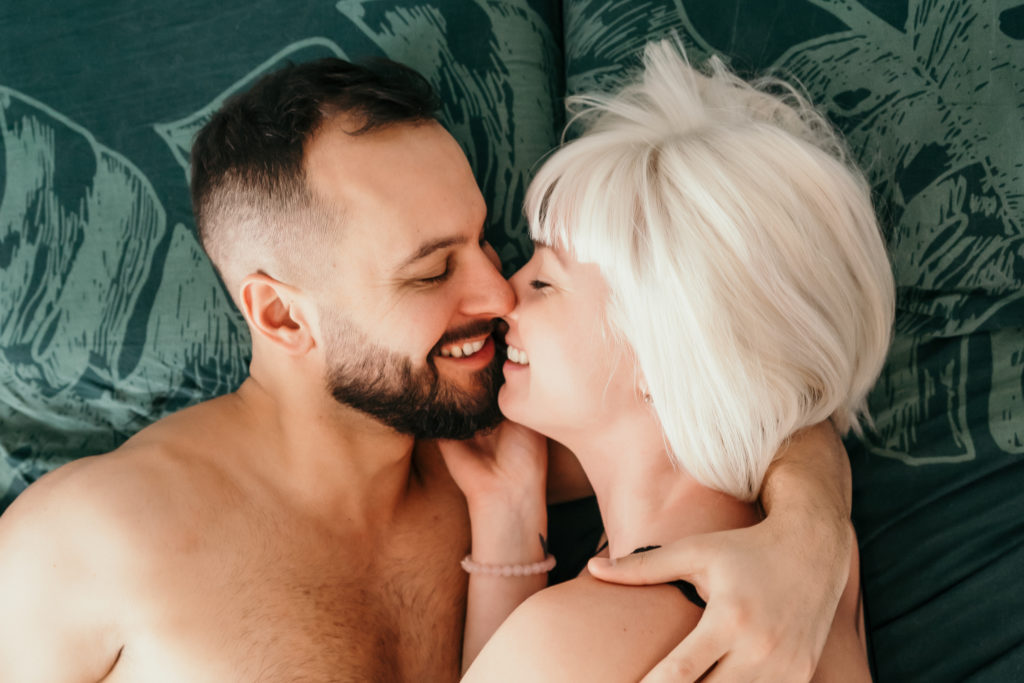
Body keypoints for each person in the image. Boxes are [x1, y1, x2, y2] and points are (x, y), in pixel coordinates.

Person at [0, 55, 857, 681]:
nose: (495, 293)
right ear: (281, 314)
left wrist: (805, 538)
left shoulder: (500, 436)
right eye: (432, 270)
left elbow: (743, 385)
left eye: (487, 239)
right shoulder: (81, 543)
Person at [452, 40, 894, 682]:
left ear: (666, 356)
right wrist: (508, 515)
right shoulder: (829, 572)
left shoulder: (566, 643)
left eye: (546, 280)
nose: (503, 296)